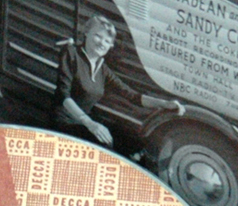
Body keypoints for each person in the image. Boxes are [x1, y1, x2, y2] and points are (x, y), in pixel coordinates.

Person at [54, 13, 183, 146]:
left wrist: (164, 103)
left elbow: (132, 95)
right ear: (86, 33)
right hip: (64, 123)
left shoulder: (102, 69)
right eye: (98, 36)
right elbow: (63, 95)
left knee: (128, 143)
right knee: (104, 144)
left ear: (110, 46)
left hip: (83, 124)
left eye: (107, 41)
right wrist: (89, 123)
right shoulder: (71, 53)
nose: (101, 43)